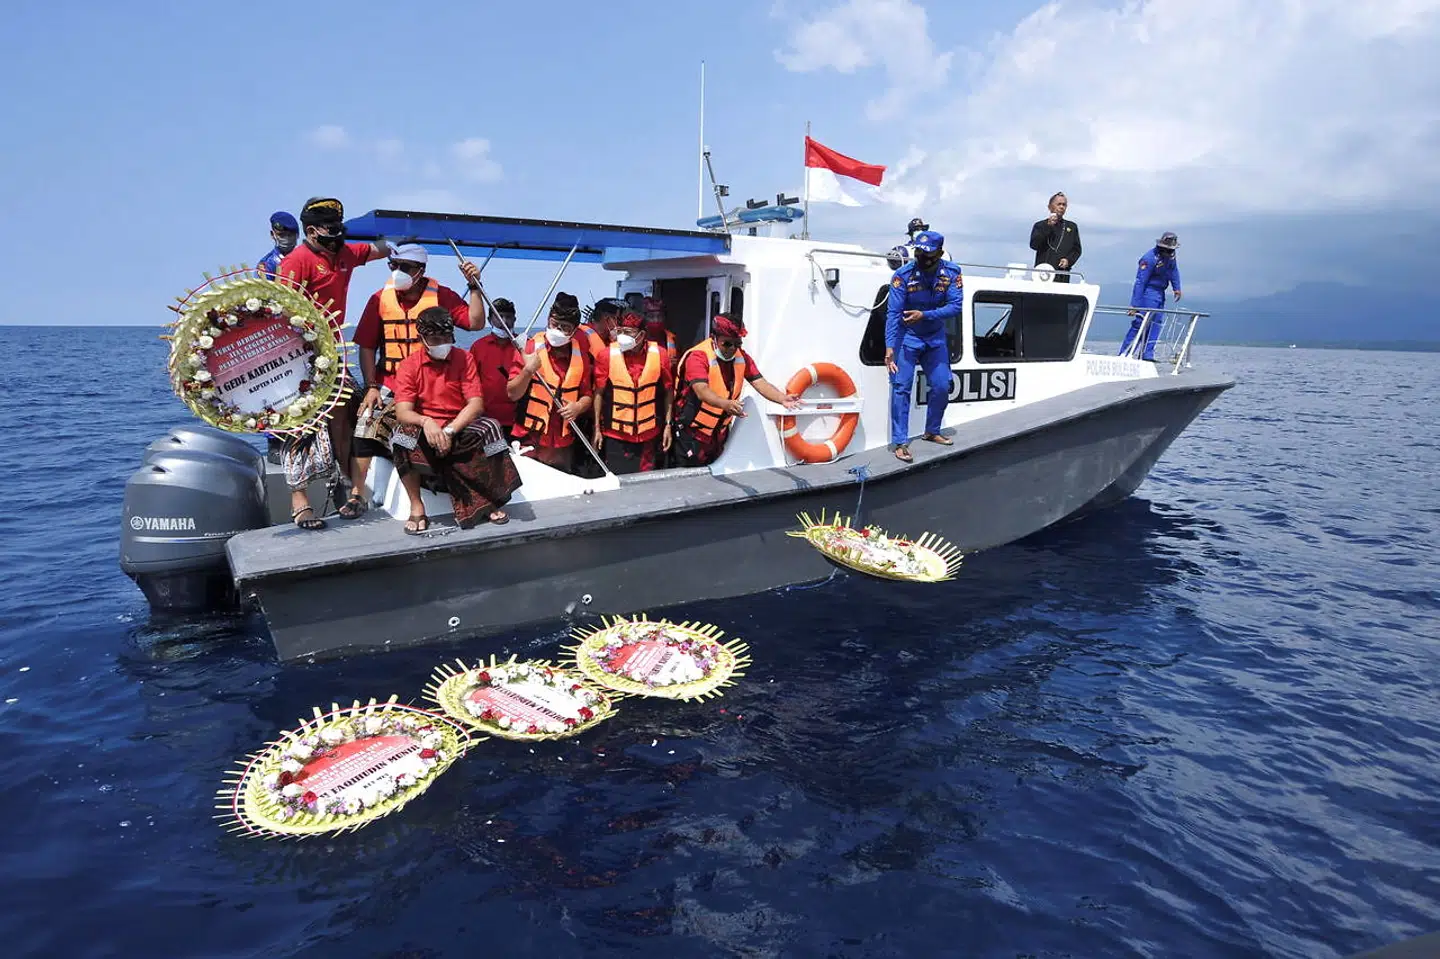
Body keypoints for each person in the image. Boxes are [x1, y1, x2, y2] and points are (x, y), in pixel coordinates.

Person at [340, 243, 487, 518]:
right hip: (391, 382)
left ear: (420, 271)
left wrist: (475, 286)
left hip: (431, 382)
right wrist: (371, 386)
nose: (397, 272)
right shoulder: (379, 299)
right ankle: (357, 494)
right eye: (393, 266)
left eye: (405, 267)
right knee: (365, 422)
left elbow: (476, 322)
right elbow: (367, 347)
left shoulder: (441, 295)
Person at [274, 197, 393, 529]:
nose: (337, 237)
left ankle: (350, 485)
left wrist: (405, 235)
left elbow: (378, 249)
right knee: (300, 425)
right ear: (311, 232)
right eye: (331, 231)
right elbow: (281, 312)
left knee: (347, 414)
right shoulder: (297, 261)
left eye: (340, 230)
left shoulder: (344, 253)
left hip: (334, 351)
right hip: (299, 354)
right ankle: (300, 501)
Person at [390, 307, 521, 533]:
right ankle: (417, 505)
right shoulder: (409, 365)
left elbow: (475, 404)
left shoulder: (464, 358)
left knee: (491, 427)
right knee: (401, 436)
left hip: (459, 423)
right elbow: (403, 411)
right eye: (435, 339)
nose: (442, 343)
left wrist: (450, 431)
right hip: (427, 427)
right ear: (422, 339)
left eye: (446, 338)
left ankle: (489, 497)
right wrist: (427, 422)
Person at [672, 313, 800, 468]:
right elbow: (701, 390)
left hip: (718, 436)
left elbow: (760, 383)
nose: (732, 349)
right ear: (714, 338)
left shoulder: (742, 358)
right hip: (691, 435)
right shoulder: (698, 357)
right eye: (727, 344)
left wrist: (782, 398)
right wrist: (725, 404)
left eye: (737, 344)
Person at [885, 229, 962, 463]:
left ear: (939, 253)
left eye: (928, 253)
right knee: (901, 388)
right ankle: (900, 442)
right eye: (919, 252)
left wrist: (925, 315)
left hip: (934, 336)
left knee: (942, 385)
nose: (923, 257)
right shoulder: (902, 275)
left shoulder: (952, 273)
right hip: (907, 337)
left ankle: (932, 431)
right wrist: (889, 347)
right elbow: (893, 313)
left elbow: (955, 306)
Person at [507, 292, 595, 473]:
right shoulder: (530, 348)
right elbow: (512, 393)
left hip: (562, 442)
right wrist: (527, 370)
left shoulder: (581, 356)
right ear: (548, 319)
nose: (558, 331)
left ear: (574, 330)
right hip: (530, 438)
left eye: (565, 328)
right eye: (554, 324)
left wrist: (578, 407)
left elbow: (587, 395)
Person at [592, 309, 675, 474]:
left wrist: (668, 426)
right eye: (620, 331)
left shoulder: (661, 355)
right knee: (617, 480)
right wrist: (597, 429)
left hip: (649, 435)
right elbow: (598, 393)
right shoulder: (606, 355)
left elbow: (668, 392)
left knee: (645, 481)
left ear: (642, 335)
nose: (622, 336)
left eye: (628, 332)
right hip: (616, 434)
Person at [1119, 232, 1183, 361]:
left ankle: (1147, 354)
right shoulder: (1149, 259)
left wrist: (1177, 287)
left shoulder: (1171, 256)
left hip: (1160, 292)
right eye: (1168, 250)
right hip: (1148, 292)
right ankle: (1125, 354)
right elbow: (1140, 282)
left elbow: (1173, 270)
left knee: (1156, 324)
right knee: (1141, 323)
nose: (1170, 252)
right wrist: (1134, 305)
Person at [469, 297, 523, 436]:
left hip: (520, 421)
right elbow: (470, 384)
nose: (504, 321)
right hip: (486, 421)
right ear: (489, 320)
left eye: (508, 317)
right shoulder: (478, 347)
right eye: (499, 317)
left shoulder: (525, 346)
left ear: (515, 319)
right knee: (492, 456)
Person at [1029, 192, 1081, 283]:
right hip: (1042, 274)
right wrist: (1048, 227)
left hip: (1062, 274)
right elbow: (1034, 245)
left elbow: (1077, 250)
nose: (1061, 207)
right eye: (1059, 204)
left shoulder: (1072, 227)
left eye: (1064, 205)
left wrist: (1068, 260)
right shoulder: (1040, 225)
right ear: (1050, 207)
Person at [257, 211, 299, 279]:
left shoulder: (304, 258)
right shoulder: (268, 264)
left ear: (297, 235)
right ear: (272, 235)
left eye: (290, 235)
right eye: (282, 235)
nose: (287, 239)